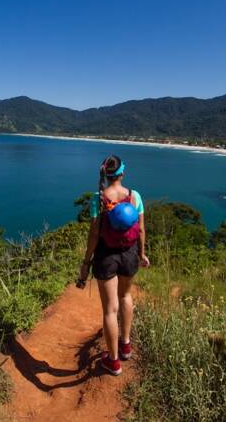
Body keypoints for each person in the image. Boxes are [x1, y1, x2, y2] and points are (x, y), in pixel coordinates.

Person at [78, 154, 150, 376]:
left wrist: (86, 262)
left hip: (106, 256)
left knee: (110, 310)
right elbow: (141, 230)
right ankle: (126, 345)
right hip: (129, 254)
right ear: (122, 173)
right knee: (126, 297)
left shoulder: (98, 199)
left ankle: (114, 361)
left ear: (106, 175)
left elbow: (94, 235)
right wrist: (142, 254)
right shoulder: (134, 196)